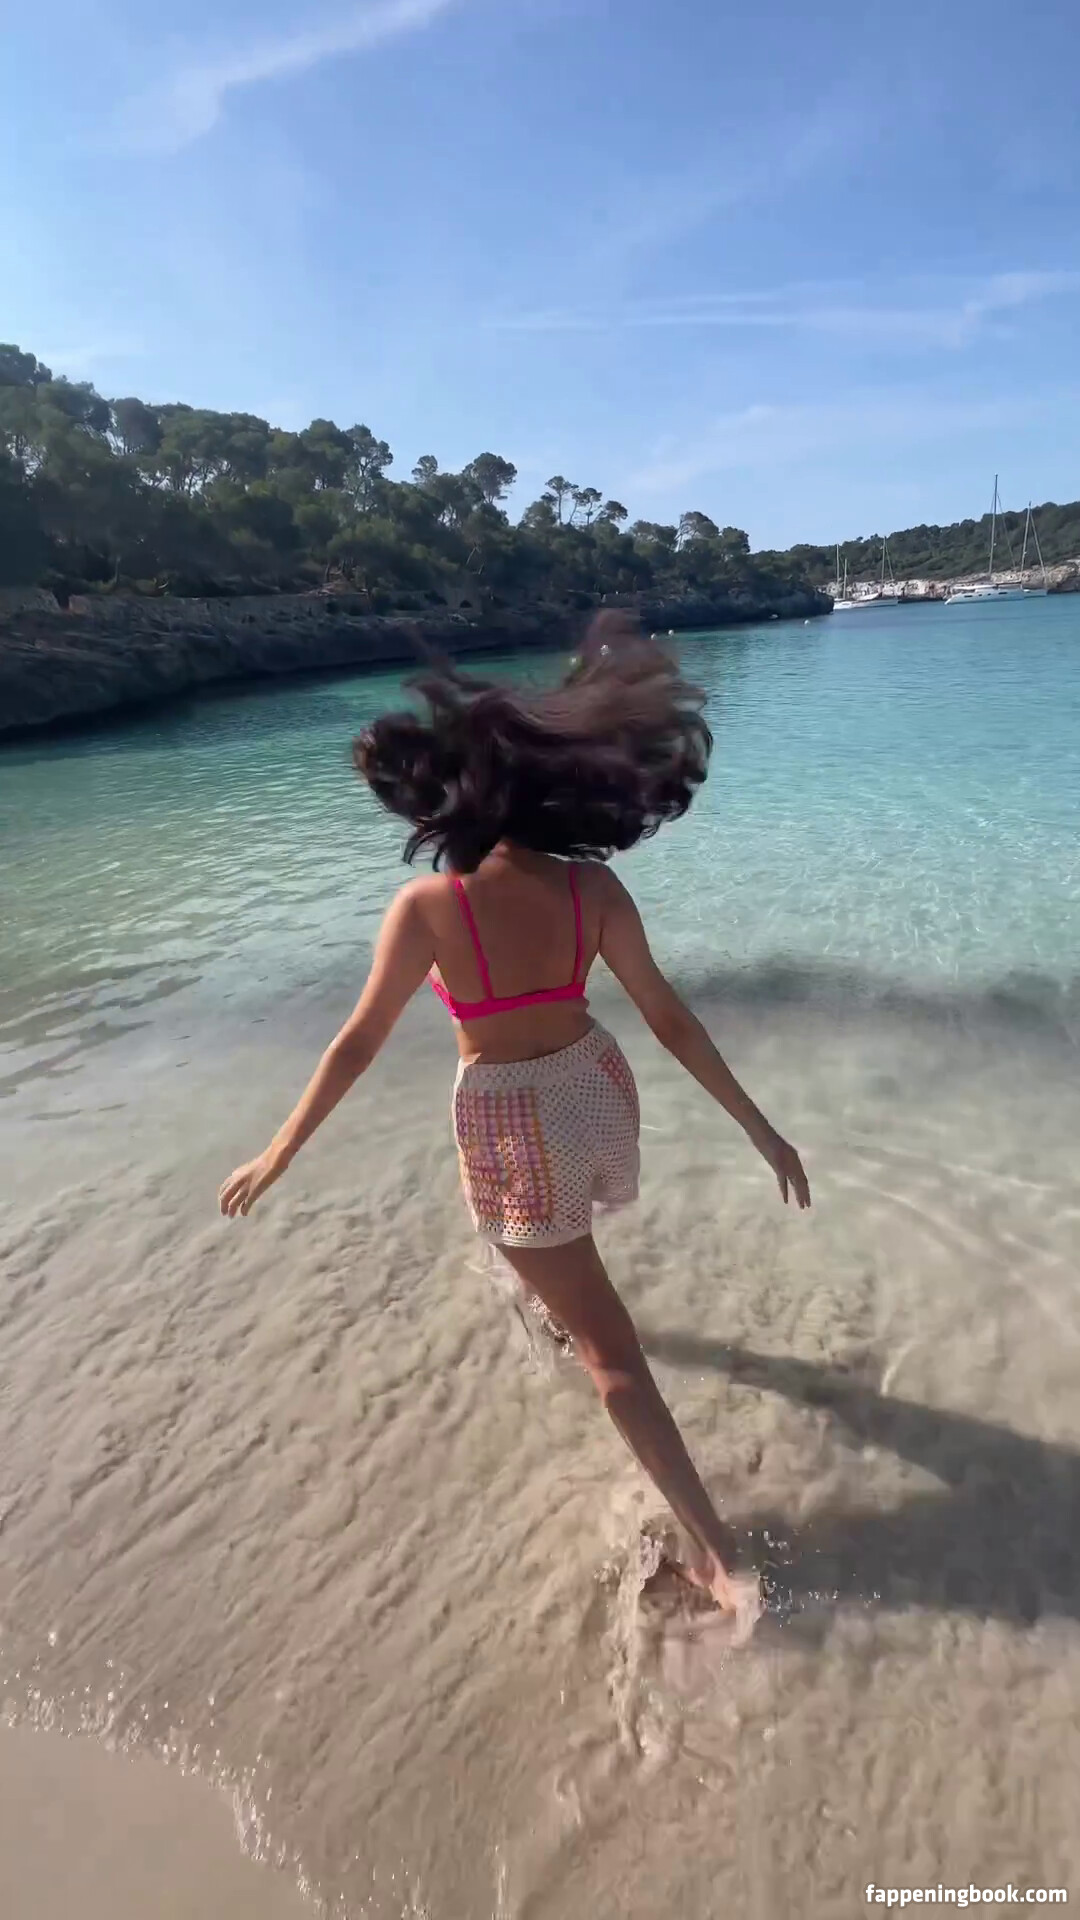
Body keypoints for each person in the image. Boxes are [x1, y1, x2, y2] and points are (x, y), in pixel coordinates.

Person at [219, 613, 811, 1635]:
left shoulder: (428, 909)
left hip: (509, 1120)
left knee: (610, 1355)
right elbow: (669, 1020)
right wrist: (762, 1129)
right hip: (593, 1090)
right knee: (551, 1253)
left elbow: (357, 1044)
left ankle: (720, 1561)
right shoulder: (592, 887)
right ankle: (552, 1299)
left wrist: (278, 1151)